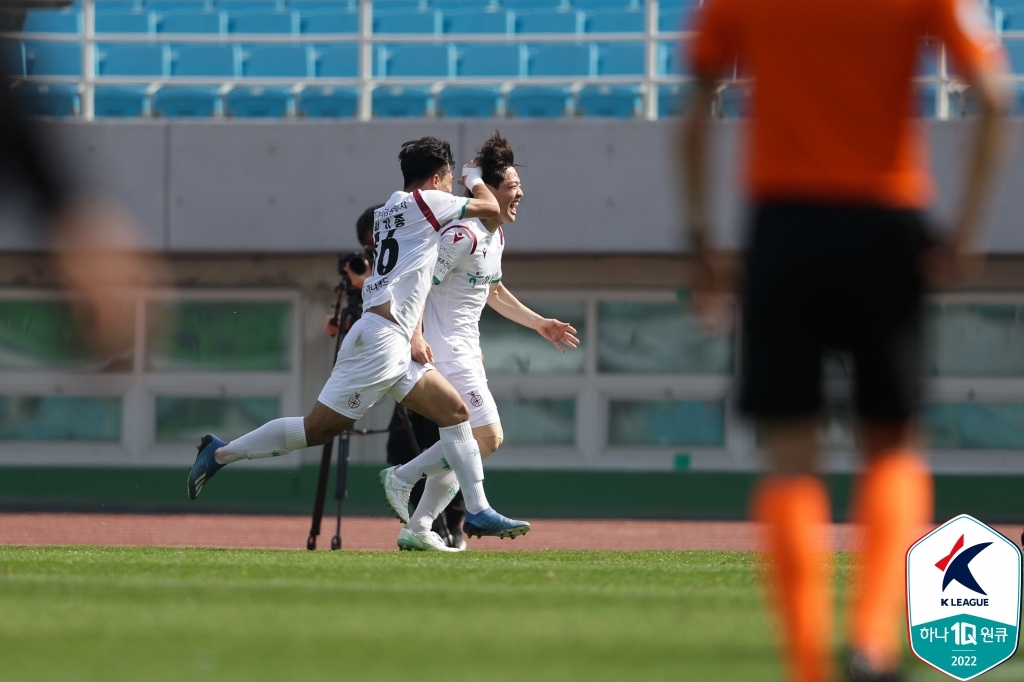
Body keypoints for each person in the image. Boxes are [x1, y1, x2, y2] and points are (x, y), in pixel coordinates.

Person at [682, 1, 1008, 681]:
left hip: (784, 227)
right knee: (892, 441)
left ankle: (809, 666)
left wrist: (701, 237)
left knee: (790, 455)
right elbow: (995, 95)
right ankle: (870, 643)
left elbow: (697, 102)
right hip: (885, 222)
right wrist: (969, 231)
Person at [187, 136, 532, 544]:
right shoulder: (428, 202)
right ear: (438, 178)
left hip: (392, 339)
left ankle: (463, 512)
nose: (450, 187)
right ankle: (221, 453)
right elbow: (488, 208)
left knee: (456, 415)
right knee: (315, 430)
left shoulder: (388, 209)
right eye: (448, 180)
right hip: (383, 342)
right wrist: (475, 177)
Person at [388, 132, 578, 552]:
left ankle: (419, 525)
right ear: (488, 191)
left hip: (466, 350)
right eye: (512, 186)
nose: (521, 194)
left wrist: (539, 323)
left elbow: (493, 292)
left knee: (468, 446)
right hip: (445, 349)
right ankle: (407, 479)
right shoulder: (463, 235)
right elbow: (420, 283)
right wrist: (416, 337)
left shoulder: (497, 238)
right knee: (487, 438)